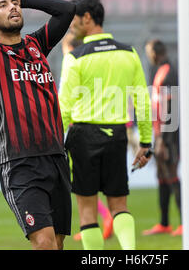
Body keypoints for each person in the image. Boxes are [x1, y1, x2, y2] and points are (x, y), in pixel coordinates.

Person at [0, 0, 75, 250]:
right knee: (44, 243)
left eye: (15, 3)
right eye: (3, 5)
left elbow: (67, 10)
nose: (13, 7)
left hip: (56, 157)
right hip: (20, 163)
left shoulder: (37, 45)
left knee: (57, 245)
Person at [59, 0, 152, 250]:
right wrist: (145, 142)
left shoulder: (75, 57)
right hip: (117, 136)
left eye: (74, 19)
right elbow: (142, 101)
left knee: (87, 212)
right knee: (119, 206)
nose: (71, 24)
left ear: (87, 17)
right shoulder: (129, 53)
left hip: (82, 137)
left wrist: (55, 143)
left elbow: (64, 107)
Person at [61, 31, 114, 241]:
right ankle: (103, 218)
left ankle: (99, 220)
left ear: (69, 48)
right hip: (102, 125)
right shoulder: (93, 64)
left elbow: (68, 100)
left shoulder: (73, 64)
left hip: (79, 128)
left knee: (81, 181)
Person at [142, 39, 182, 237]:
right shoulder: (161, 71)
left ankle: (184, 223)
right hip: (160, 134)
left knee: (172, 173)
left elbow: (171, 110)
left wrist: (164, 141)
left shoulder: (169, 73)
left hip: (170, 135)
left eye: (149, 52)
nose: (149, 56)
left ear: (155, 53)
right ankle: (164, 223)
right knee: (162, 176)